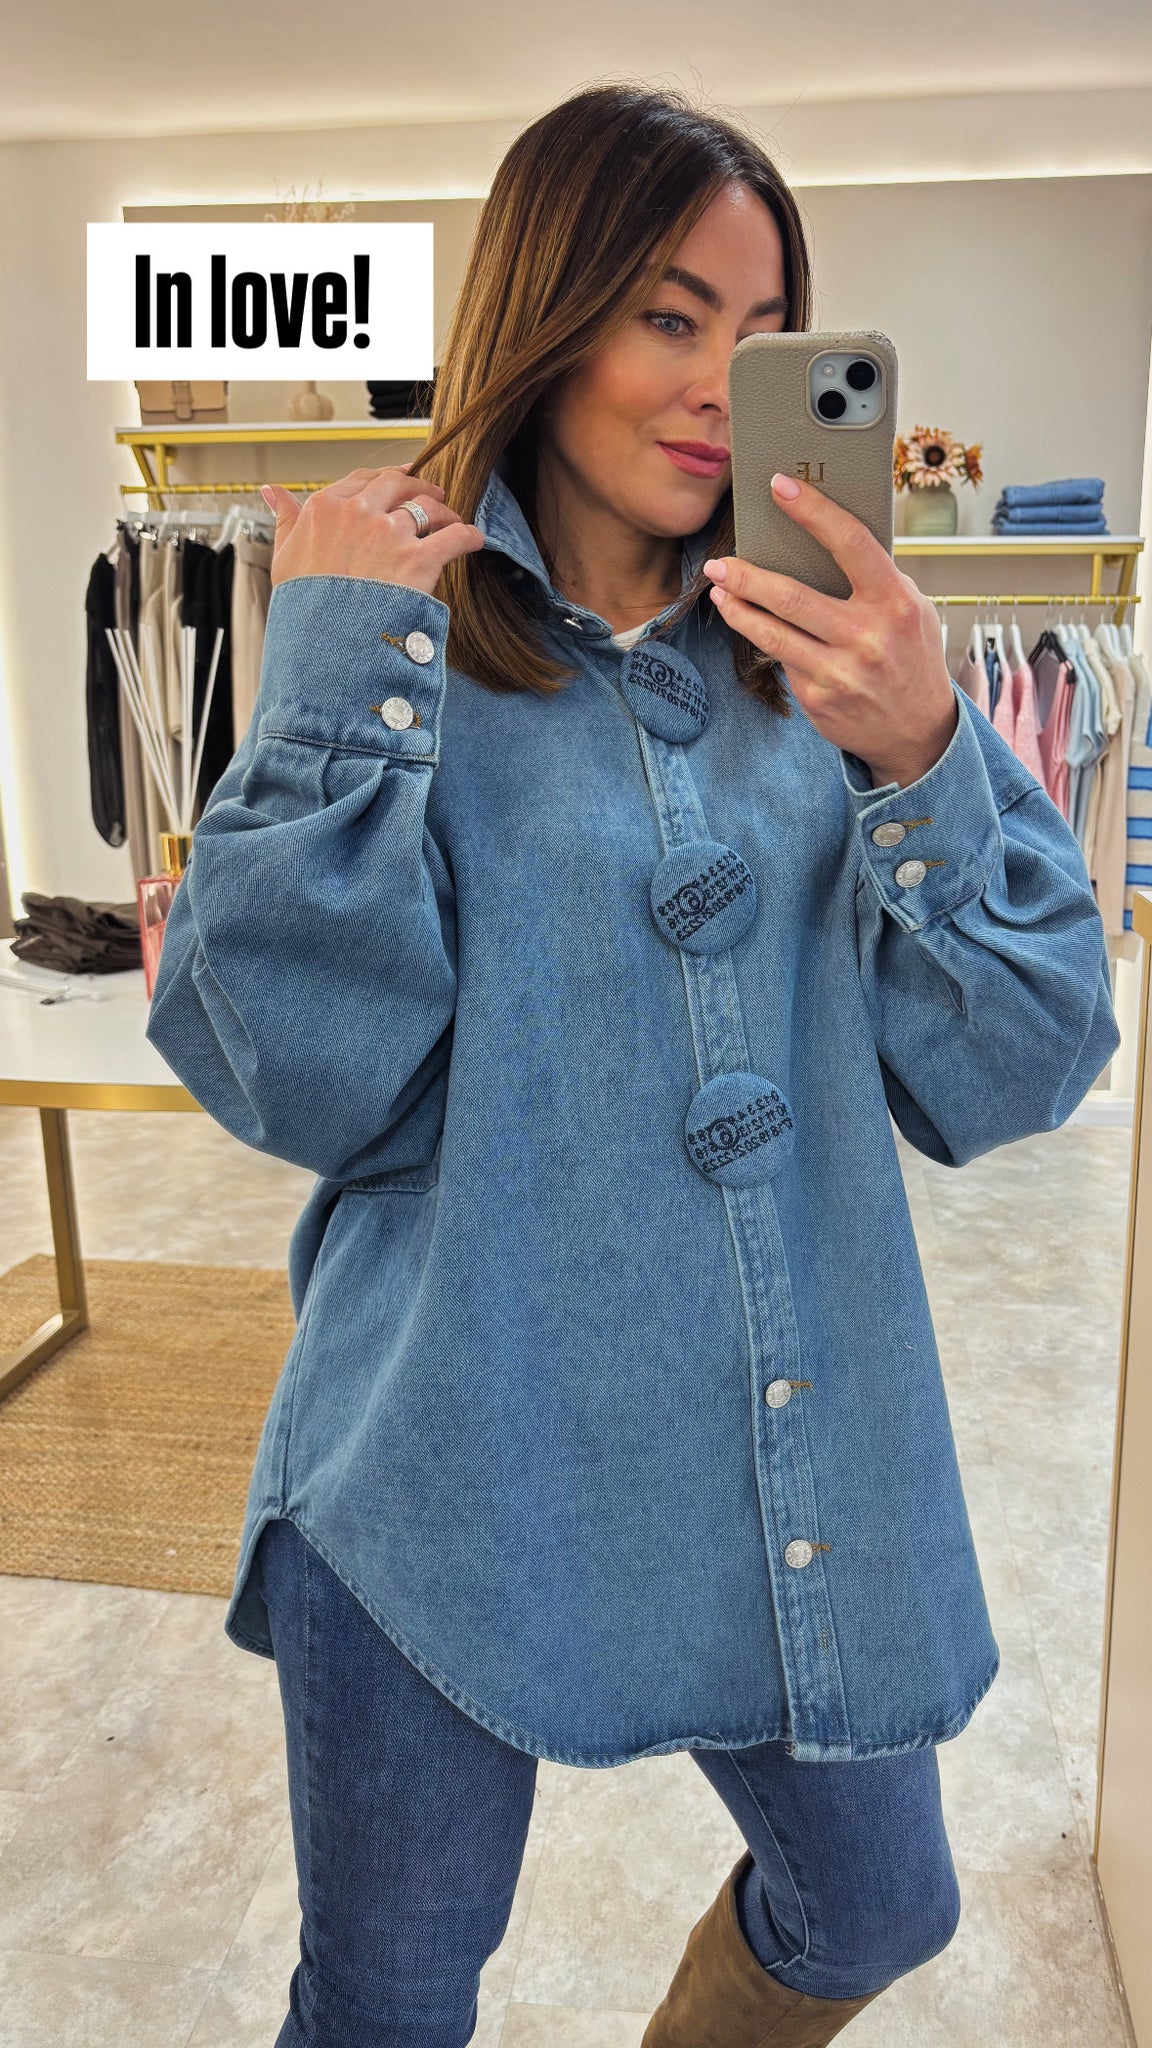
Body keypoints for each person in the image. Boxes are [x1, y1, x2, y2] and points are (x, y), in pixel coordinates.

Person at [147, 82, 1121, 2048]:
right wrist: (331, 680)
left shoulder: (838, 669)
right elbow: (297, 1082)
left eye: (761, 338)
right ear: (550, 310)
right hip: (441, 1456)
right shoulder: (387, 640)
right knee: (389, 2001)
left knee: (879, 1899)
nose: (714, 389)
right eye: (668, 315)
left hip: (784, 1448)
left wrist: (928, 752)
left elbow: (1022, 1064)